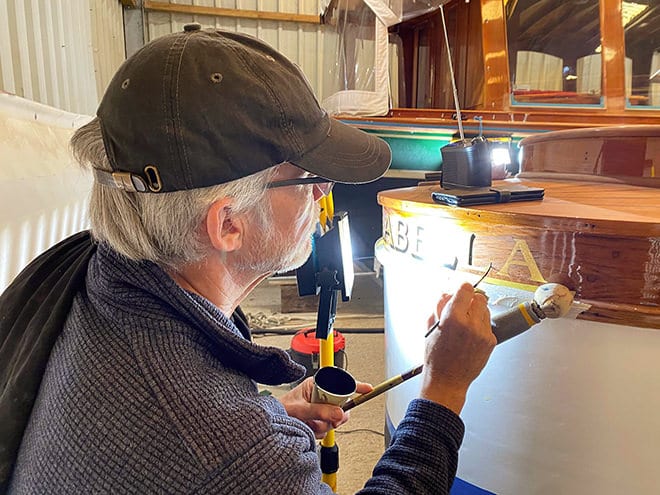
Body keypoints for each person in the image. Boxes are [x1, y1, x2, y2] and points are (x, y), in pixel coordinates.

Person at [2, 24, 495, 494]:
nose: (325, 190)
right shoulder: (220, 446)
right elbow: (203, 449)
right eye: (309, 178)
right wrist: (443, 390)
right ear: (228, 224)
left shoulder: (92, 271)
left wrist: (268, 420)